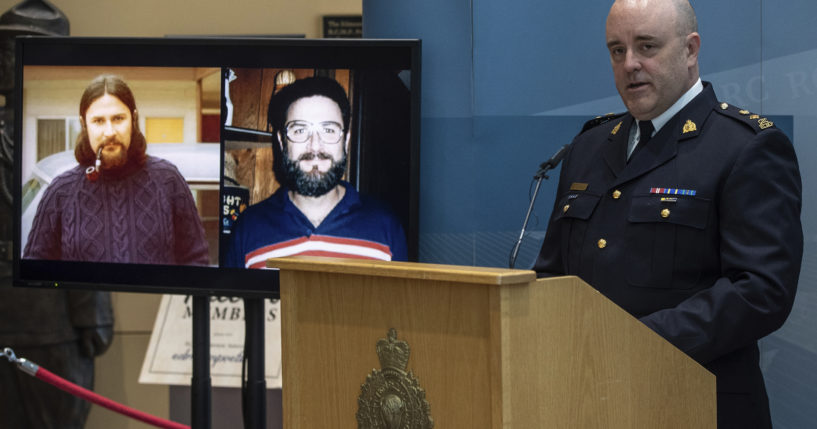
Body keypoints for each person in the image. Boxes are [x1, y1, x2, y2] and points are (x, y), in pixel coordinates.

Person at [533, 1, 802, 427]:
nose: (630, 64)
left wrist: (635, 342)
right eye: (617, 50)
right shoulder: (589, 147)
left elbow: (761, 291)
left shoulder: (745, 146)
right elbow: (552, 275)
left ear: (690, 50)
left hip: (695, 402)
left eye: (647, 46)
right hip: (588, 402)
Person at [23, 74, 209, 265]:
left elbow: (196, 260)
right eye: (98, 121)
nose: (110, 132)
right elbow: (35, 272)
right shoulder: (60, 191)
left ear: (133, 119)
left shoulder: (168, 180)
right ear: (84, 124)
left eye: (118, 118)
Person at [226, 76, 407, 268]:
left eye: (328, 130)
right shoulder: (248, 228)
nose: (314, 146)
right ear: (281, 142)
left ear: (345, 141)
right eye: (300, 130)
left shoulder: (386, 227)